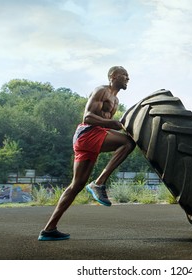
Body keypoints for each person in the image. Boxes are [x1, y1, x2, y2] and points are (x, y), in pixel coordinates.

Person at [38, 66, 135, 241]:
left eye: (128, 76)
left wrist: (114, 124)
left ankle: (49, 229)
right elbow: (88, 118)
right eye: (124, 75)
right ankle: (98, 183)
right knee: (128, 143)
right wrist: (112, 123)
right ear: (113, 76)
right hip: (88, 133)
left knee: (76, 185)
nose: (128, 78)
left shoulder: (116, 100)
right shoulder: (102, 91)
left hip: (92, 137)